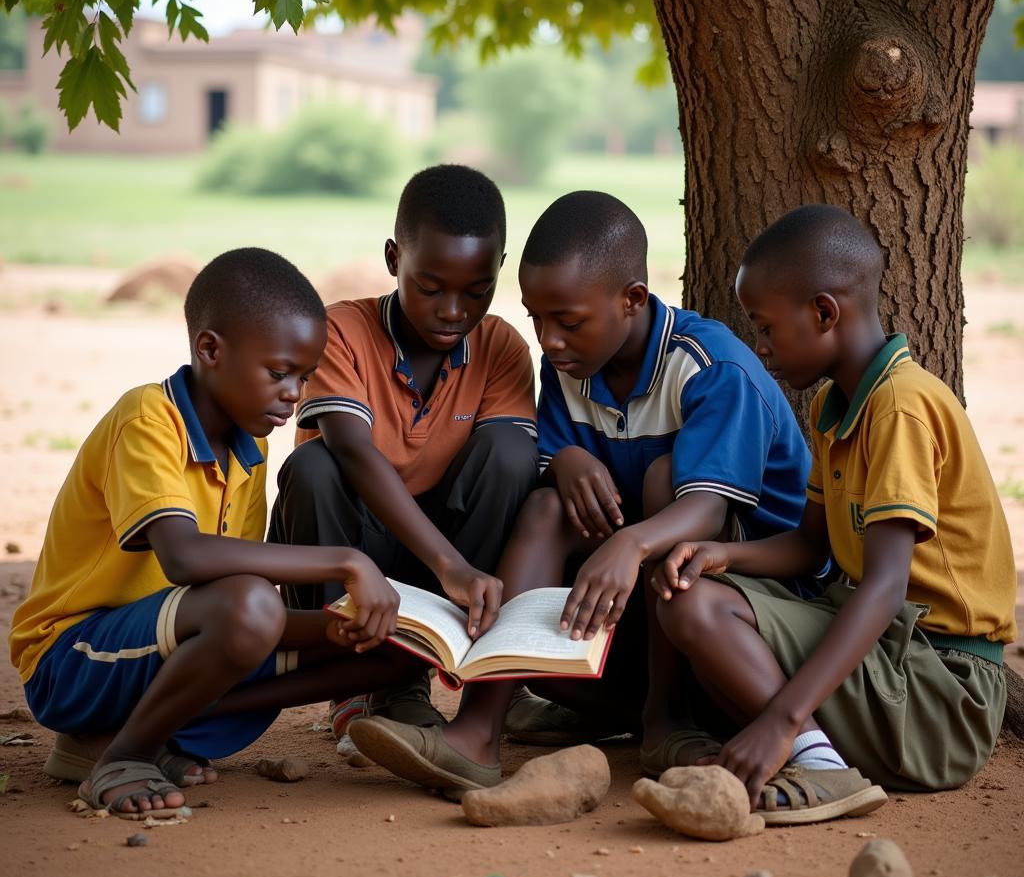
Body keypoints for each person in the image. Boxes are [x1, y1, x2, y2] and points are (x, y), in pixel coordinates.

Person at [348, 190, 812, 797]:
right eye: (535, 318)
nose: (548, 340)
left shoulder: (708, 368)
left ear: (632, 300)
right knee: (546, 505)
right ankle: (479, 731)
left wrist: (628, 543)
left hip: (739, 618)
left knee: (662, 479)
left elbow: (708, 508)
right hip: (634, 627)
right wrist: (562, 458)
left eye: (567, 321)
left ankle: (667, 723)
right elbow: (557, 466)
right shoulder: (570, 367)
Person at [9, 248, 420, 819]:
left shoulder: (248, 454)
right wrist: (349, 562)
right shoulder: (149, 418)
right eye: (278, 373)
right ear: (209, 350)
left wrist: (343, 628)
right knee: (253, 604)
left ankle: (163, 735)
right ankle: (125, 755)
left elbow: (237, 604)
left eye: (303, 377)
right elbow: (185, 559)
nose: (294, 394)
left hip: (168, 646)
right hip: (73, 659)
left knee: (393, 651)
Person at [648, 204, 1016, 824]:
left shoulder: (899, 407)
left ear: (824, 312)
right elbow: (810, 547)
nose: (760, 348)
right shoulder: (833, 407)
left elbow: (884, 587)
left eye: (766, 328)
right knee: (695, 593)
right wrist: (723, 555)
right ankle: (805, 748)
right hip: (892, 659)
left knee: (697, 612)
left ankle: (814, 763)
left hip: (945, 693)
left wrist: (781, 721)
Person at [267, 164, 552, 734]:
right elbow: (352, 451)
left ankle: (428, 677)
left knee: (512, 455)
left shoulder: (500, 347)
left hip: (453, 552)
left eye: (477, 291)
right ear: (395, 259)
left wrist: (454, 565)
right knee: (315, 466)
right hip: (358, 552)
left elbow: (506, 473)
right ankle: (352, 680)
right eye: (430, 287)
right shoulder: (341, 330)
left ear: (498, 269)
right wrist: (449, 566)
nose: (453, 310)